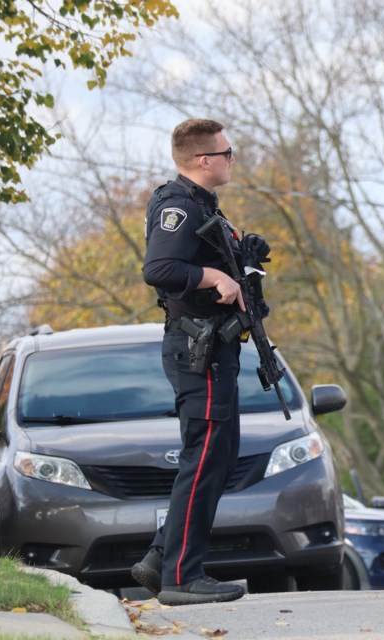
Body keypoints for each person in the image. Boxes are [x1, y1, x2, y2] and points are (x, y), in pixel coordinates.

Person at [132, 118, 265, 605]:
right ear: (203, 160)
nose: (233, 159)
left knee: (218, 456)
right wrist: (212, 276)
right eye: (227, 152)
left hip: (212, 347)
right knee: (205, 456)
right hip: (199, 349)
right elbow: (159, 269)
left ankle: (161, 557)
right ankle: (182, 578)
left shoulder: (203, 206)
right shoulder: (178, 206)